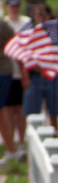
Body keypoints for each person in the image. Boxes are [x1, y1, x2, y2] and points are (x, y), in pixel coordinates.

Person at [22, 3, 58, 134]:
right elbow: (22, 56)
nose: (39, 17)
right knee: (31, 112)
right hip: (35, 76)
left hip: (53, 76)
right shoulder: (30, 33)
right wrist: (25, 75)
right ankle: (30, 139)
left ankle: (55, 137)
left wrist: (51, 53)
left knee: (54, 112)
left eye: (42, 14)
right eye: (37, 15)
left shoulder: (56, 33)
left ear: (48, 15)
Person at [4, 0, 31, 156]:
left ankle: (21, 142)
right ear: (6, 7)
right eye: (11, 6)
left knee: (21, 110)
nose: (14, 9)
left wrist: (26, 72)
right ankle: (10, 143)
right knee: (7, 109)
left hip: (22, 72)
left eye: (17, 6)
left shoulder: (26, 22)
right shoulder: (4, 23)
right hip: (7, 72)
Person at [0, 17, 23, 165]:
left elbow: (16, 45)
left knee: (2, 111)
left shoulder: (2, 25)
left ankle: (12, 150)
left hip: (2, 71)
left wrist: (23, 71)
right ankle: (11, 150)